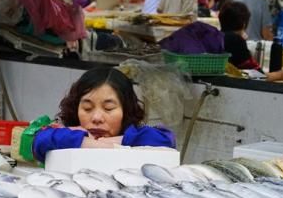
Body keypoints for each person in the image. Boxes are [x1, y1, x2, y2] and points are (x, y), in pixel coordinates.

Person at [32, 67, 175, 163]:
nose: (96, 118)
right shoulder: (68, 133)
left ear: (126, 110)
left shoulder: (137, 137)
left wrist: (115, 143)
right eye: (87, 108)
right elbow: (39, 141)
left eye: (108, 108)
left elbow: (166, 140)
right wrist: (84, 142)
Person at [219, 1, 283, 82]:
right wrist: (281, 75)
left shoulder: (217, 36)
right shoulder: (235, 40)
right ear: (243, 23)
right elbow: (258, 76)